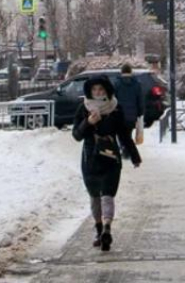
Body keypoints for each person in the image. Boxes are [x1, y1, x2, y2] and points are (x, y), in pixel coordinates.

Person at [72, 75, 141, 252]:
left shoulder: (115, 109)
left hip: (110, 158)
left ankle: (106, 228)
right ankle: (99, 228)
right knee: (95, 196)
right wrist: (88, 122)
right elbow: (77, 135)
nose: (97, 93)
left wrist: (134, 156)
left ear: (107, 91)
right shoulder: (83, 108)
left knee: (108, 194)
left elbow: (124, 135)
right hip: (90, 158)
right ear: (90, 91)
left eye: (101, 90)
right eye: (94, 90)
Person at [114, 63, 145, 153]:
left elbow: (113, 99)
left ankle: (123, 147)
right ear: (131, 72)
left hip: (119, 114)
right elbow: (140, 100)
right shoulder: (137, 84)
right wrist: (140, 112)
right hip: (132, 115)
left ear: (122, 71)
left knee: (120, 133)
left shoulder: (117, 84)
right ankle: (127, 149)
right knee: (128, 132)